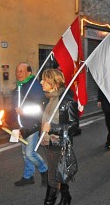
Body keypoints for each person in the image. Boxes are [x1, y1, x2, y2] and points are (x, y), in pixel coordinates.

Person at [41, 69, 79, 205]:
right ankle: (66, 196)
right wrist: (24, 131)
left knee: (52, 176)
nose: (41, 82)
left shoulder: (67, 102)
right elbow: (42, 121)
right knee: (58, 173)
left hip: (59, 145)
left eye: (45, 80)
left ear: (54, 83)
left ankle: (49, 201)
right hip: (46, 143)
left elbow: (74, 126)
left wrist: (53, 129)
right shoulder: (47, 100)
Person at [12, 62, 48, 187]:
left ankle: (45, 170)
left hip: (32, 124)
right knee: (24, 153)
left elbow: (40, 108)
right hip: (22, 125)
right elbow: (15, 106)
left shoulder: (34, 86)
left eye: (21, 71)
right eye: (17, 71)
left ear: (29, 73)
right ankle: (28, 176)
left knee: (30, 153)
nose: (18, 74)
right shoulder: (19, 86)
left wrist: (24, 111)